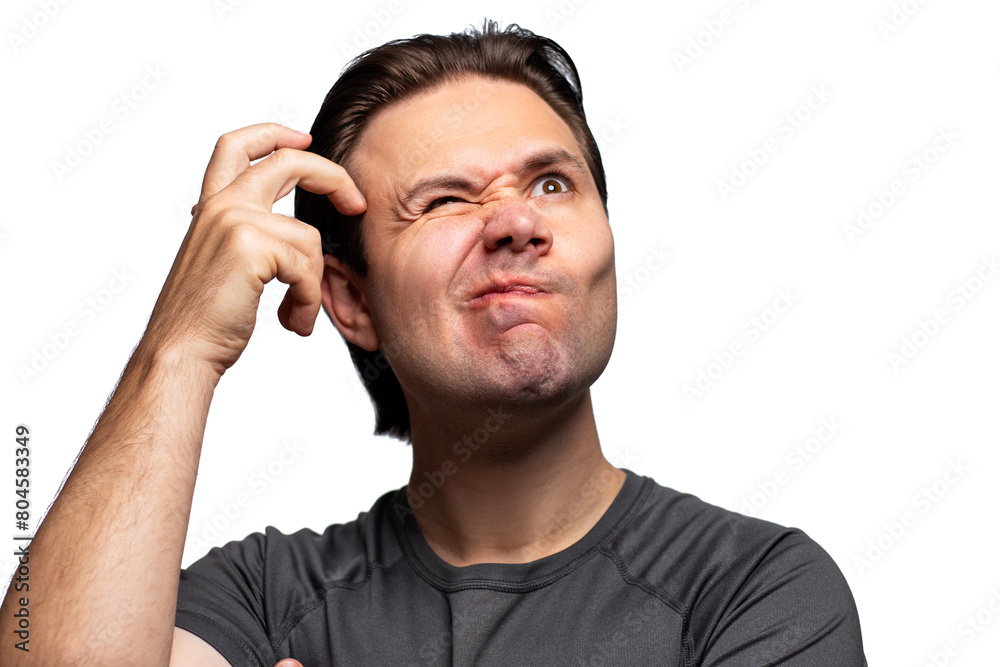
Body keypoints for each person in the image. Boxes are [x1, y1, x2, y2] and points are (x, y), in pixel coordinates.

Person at [0, 21, 866, 666]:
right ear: (350, 297)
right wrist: (181, 343)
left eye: (553, 182)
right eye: (446, 201)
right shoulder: (263, 600)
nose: (518, 221)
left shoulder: (757, 589)